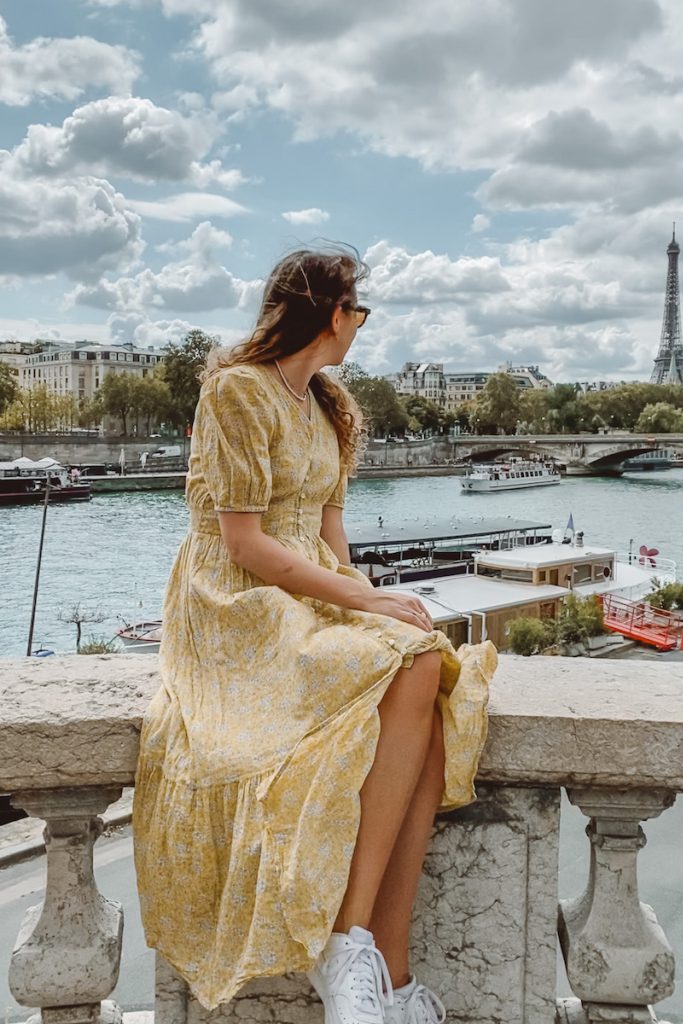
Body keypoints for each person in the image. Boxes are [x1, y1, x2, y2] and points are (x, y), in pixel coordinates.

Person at [133, 247, 496, 1024]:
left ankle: (385, 975)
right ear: (333, 315)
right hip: (236, 604)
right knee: (411, 668)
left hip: (306, 593)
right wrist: (364, 603)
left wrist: (371, 602)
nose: (360, 327)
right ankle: (349, 941)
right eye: (358, 312)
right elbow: (244, 547)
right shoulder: (237, 392)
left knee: (426, 674)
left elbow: (332, 535)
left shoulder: (330, 408)